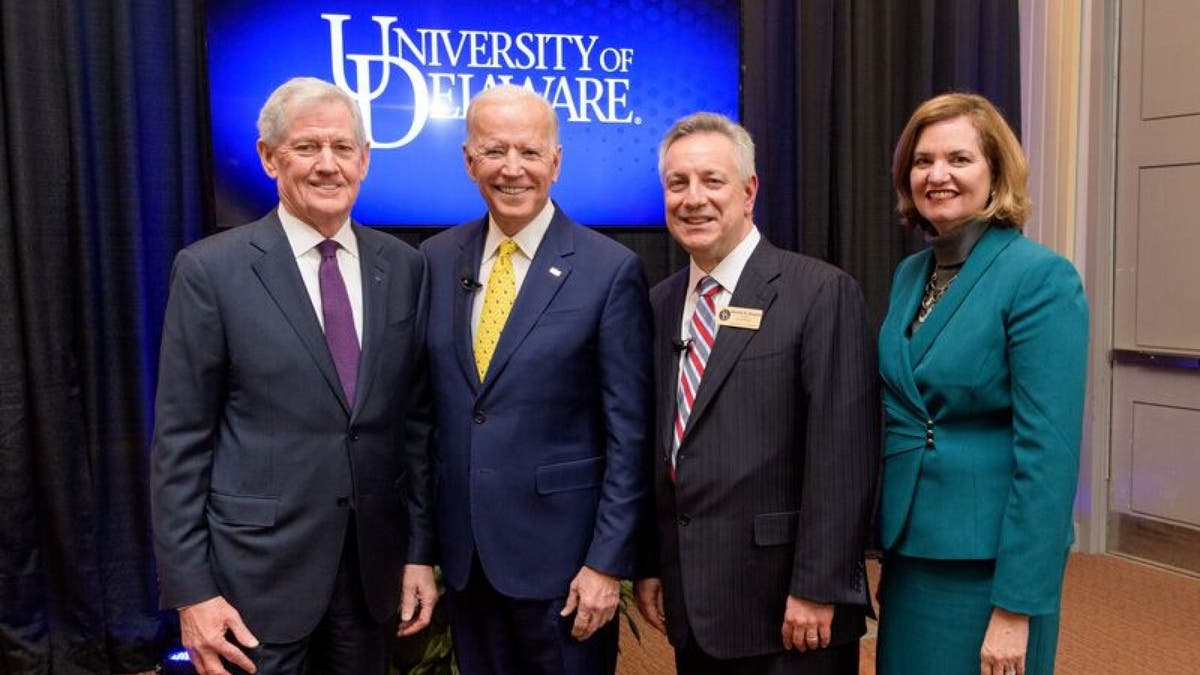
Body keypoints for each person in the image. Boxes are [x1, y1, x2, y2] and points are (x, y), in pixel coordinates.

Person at [150, 77, 437, 675]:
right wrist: (192, 593)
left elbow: (413, 426)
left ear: (365, 161)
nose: (327, 165)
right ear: (269, 157)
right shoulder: (211, 271)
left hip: (372, 576)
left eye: (342, 147)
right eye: (307, 147)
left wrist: (417, 555)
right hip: (253, 582)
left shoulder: (405, 268)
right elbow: (180, 443)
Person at [634, 112, 879, 675]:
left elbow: (844, 455)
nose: (693, 199)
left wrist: (819, 586)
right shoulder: (660, 303)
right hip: (693, 598)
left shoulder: (820, 292)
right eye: (678, 184)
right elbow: (662, 449)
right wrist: (651, 562)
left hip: (790, 607)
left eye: (712, 181)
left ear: (749, 192)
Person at [419, 84, 652, 674]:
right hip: (468, 562)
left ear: (556, 161)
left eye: (529, 151)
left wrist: (606, 565)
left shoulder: (609, 269)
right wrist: (420, 551)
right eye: (495, 151)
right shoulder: (435, 260)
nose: (513, 169)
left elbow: (630, 433)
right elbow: (422, 418)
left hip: (566, 569)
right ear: (469, 161)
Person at [875, 92, 1089, 675]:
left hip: (992, 565)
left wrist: (1016, 606)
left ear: (996, 173)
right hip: (912, 551)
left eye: (959, 159)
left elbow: (1049, 454)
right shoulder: (910, 273)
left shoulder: (1041, 277)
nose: (937, 175)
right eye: (922, 161)